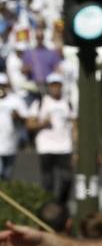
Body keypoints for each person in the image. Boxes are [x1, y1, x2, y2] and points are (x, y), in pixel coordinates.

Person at [27, 73, 75, 206]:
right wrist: (42, 124)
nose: (55, 88)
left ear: (61, 86)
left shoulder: (67, 103)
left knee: (67, 179)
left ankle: (61, 205)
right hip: (46, 147)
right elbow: (29, 124)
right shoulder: (40, 103)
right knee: (48, 181)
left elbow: (75, 126)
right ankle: (49, 207)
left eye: (57, 85)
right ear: (49, 86)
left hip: (65, 147)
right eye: (52, 85)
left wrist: (76, 148)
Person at [0, 73, 27, 181]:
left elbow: (26, 118)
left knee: (7, 175)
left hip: (11, 144)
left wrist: (17, 116)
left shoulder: (16, 100)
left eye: (3, 85)